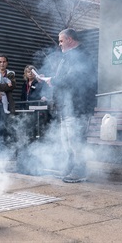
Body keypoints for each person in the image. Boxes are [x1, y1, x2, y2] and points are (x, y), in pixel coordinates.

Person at [46, 28, 97, 183]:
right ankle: (70, 167)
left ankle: (80, 170)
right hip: (67, 106)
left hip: (78, 107)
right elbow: (64, 77)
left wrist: (53, 81)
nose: (59, 44)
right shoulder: (68, 57)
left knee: (76, 139)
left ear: (69, 39)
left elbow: (74, 78)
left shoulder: (81, 55)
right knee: (67, 140)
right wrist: (50, 79)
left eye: (61, 41)